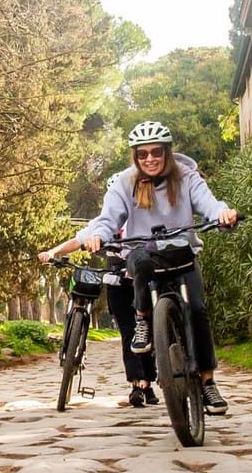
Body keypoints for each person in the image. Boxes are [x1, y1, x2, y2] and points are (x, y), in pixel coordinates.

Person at [78, 121, 238, 415]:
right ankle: (143, 319)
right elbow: (108, 218)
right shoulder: (125, 183)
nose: (149, 159)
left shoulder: (187, 176)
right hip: (145, 256)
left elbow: (210, 204)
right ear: (135, 157)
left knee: (198, 311)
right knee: (137, 259)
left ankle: (207, 382)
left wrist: (223, 214)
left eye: (156, 152)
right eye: (142, 154)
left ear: (167, 151)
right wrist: (98, 235)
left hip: (181, 256)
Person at [38, 211, 159, 408]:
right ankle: (136, 385)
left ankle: (147, 383)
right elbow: (77, 240)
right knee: (129, 333)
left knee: (146, 332)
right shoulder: (105, 221)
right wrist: (52, 252)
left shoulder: (145, 216)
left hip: (143, 283)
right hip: (116, 283)